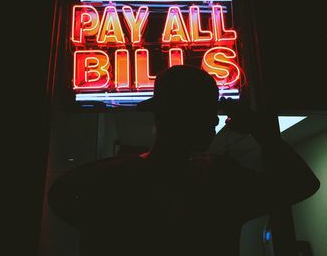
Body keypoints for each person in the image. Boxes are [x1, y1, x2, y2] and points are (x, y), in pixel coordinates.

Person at [48, 65, 320, 256]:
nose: (214, 120)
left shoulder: (109, 179)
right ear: (175, 116)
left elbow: (60, 196)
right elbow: (302, 183)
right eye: (204, 111)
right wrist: (261, 130)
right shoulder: (220, 180)